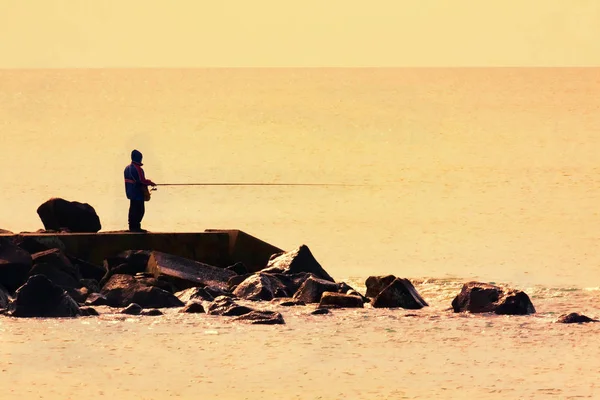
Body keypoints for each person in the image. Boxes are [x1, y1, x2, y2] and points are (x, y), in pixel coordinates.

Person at [124, 149, 156, 232]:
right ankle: (136, 227)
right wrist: (150, 182)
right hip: (137, 193)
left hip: (130, 192)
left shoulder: (127, 168)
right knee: (140, 210)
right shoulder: (137, 168)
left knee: (133, 209)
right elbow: (141, 180)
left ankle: (132, 227)